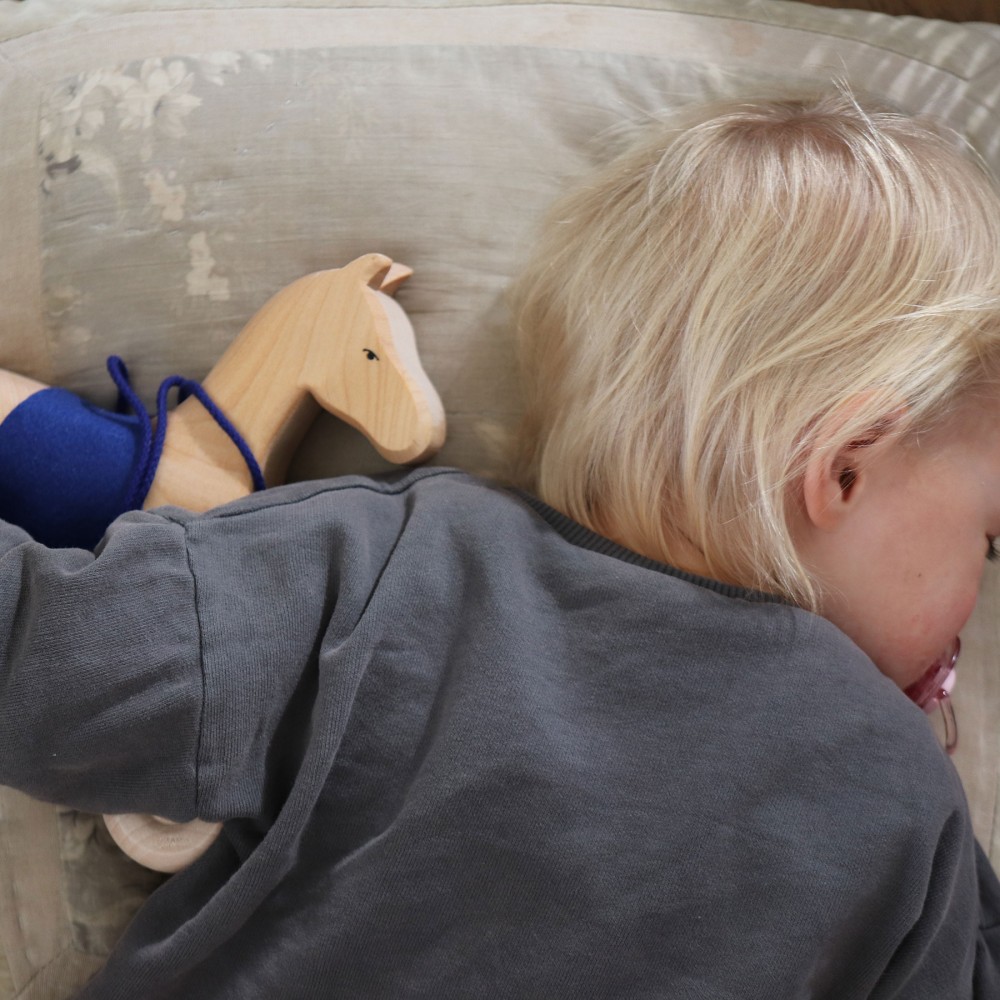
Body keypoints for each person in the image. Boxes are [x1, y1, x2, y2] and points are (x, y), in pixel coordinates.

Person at [1, 89, 1000, 998]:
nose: (978, 590)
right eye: (987, 537)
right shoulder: (898, 796)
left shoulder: (400, 562)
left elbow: (41, 658)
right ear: (843, 468)